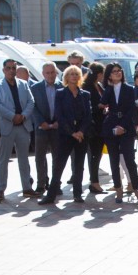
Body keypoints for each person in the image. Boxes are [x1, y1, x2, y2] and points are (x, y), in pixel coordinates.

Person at [38, 66, 92, 205]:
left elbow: (88, 116)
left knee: (79, 165)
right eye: (71, 74)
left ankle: (78, 194)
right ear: (66, 77)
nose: (73, 76)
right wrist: (71, 132)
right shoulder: (61, 93)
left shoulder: (85, 94)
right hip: (65, 134)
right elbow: (59, 115)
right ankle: (51, 195)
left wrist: (80, 131)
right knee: (59, 165)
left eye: (76, 74)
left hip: (81, 135)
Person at [0, 59, 36, 200]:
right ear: (4, 70)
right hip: (7, 126)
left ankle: (27, 187)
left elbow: (31, 101)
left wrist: (23, 116)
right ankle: (0, 189)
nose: (11, 70)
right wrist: (12, 116)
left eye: (13, 68)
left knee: (24, 159)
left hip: (23, 126)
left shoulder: (23, 84)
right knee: (3, 159)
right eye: (8, 68)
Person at [101, 64, 138, 204]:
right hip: (110, 126)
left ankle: (136, 189)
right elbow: (103, 102)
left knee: (129, 159)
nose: (117, 73)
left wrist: (122, 126)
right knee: (113, 159)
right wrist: (109, 87)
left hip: (126, 127)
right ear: (109, 75)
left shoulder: (129, 89)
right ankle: (118, 189)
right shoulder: (108, 89)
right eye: (114, 72)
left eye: (119, 70)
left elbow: (131, 109)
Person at [30, 63, 60, 199]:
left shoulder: (61, 87)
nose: (50, 75)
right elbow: (33, 107)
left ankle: (55, 184)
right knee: (40, 157)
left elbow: (65, 106)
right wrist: (41, 122)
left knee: (57, 157)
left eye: (52, 72)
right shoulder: (35, 88)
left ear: (56, 73)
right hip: (41, 127)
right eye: (47, 73)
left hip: (57, 128)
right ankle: (41, 184)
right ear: (43, 74)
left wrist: (59, 122)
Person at [82, 63, 106, 194]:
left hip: (101, 124)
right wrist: (100, 107)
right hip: (93, 125)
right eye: (101, 73)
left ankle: (94, 181)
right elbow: (88, 107)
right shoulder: (87, 87)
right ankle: (94, 182)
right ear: (98, 74)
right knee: (94, 154)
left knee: (98, 154)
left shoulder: (99, 86)